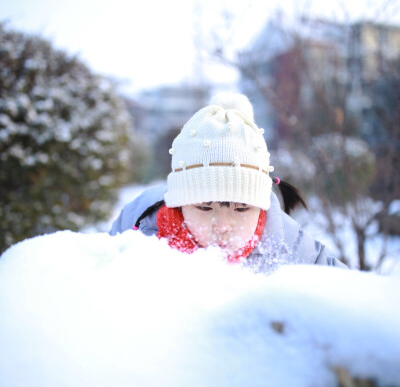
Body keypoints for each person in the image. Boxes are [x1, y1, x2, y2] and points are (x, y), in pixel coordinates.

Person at [110, 92, 346, 272]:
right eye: (204, 207)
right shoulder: (140, 222)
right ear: (179, 203)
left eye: (241, 208)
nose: (223, 225)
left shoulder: (293, 250)